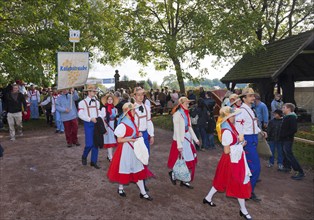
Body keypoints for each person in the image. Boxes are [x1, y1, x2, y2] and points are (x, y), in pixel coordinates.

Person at [203, 106, 252, 220]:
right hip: (231, 160)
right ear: (228, 118)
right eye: (233, 115)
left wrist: (240, 142)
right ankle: (243, 210)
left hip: (234, 159)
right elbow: (226, 150)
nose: (234, 117)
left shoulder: (230, 127)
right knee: (239, 182)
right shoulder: (227, 131)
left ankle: (208, 198)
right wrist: (240, 144)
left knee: (222, 180)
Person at [107, 102, 153, 201]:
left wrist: (138, 134)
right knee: (125, 168)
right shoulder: (123, 124)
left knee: (137, 168)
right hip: (125, 150)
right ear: (128, 111)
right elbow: (119, 140)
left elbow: (133, 133)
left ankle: (143, 193)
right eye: (133, 110)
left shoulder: (131, 121)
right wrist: (131, 139)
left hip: (133, 148)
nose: (135, 111)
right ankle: (120, 189)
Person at [235, 88, 267, 202]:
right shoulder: (241, 111)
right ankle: (248, 191)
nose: (253, 98)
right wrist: (241, 140)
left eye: (253, 96)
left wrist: (260, 131)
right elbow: (238, 127)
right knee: (255, 167)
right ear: (244, 98)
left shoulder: (249, 109)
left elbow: (252, 124)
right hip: (247, 140)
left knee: (248, 167)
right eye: (250, 96)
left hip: (253, 138)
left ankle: (246, 190)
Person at [168, 97, 200, 189]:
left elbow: (189, 127)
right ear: (181, 104)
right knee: (180, 160)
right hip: (180, 140)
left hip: (187, 138)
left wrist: (195, 139)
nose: (188, 105)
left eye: (188, 103)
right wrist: (179, 145)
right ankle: (174, 173)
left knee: (187, 159)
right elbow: (177, 131)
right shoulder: (177, 115)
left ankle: (184, 180)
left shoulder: (186, 114)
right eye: (187, 103)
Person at [78, 84, 102, 169]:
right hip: (88, 124)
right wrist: (90, 119)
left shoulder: (97, 102)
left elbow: (99, 112)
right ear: (88, 92)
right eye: (93, 91)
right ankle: (84, 156)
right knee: (89, 144)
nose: (94, 92)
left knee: (96, 144)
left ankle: (93, 161)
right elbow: (80, 114)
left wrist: (100, 118)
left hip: (96, 124)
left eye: (95, 91)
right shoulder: (82, 103)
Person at [280, 103, 304, 180]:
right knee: (285, 153)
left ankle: (300, 171)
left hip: (288, 139)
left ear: (289, 109)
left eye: (284, 107)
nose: (282, 109)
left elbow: (294, 129)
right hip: (284, 139)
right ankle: (287, 167)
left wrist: (285, 135)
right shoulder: (287, 117)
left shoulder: (292, 117)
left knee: (289, 154)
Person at [100, 93, 119, 161]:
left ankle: (109, 155)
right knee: (109, 141)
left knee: (113, 141)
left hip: (113, 126)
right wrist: (104, 128)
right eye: (109, 99)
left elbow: (116, 118)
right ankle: (110, 157)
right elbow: (102, 118)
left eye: (111, 99)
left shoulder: (115, 109)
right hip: (107, 126)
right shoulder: (103, 109)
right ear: (106, 100)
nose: (110, 100)